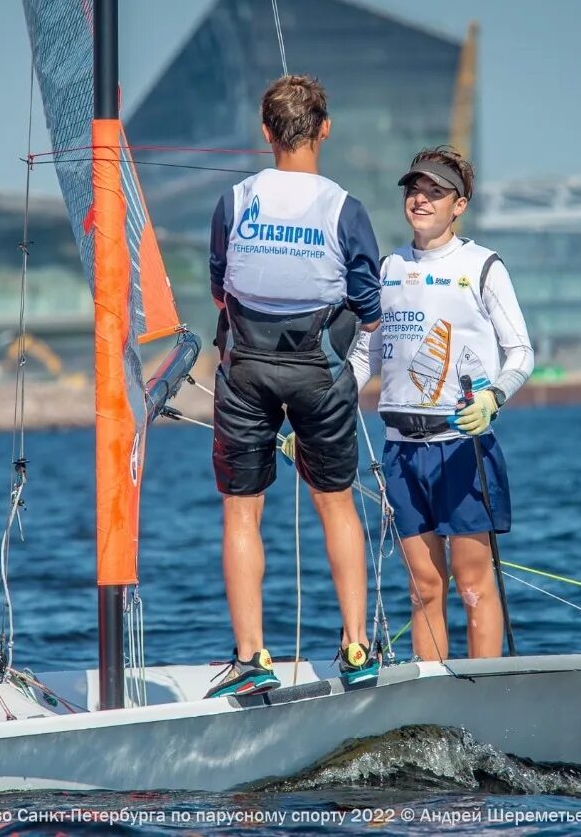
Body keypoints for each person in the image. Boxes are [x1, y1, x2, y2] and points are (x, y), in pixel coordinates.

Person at [207, 75, 382, 698]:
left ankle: (253, 657)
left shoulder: (234, 201)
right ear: (324, 129)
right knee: (335, 502)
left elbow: (220, 290)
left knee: (241, 512)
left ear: (265, 132)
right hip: (320, 369)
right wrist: (355, 376)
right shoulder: (345, 209)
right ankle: (356, 644)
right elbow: (370, 309)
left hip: (246, 369)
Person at [349, 146, 534, 661]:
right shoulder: (388, 268)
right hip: (402, 451)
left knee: (473, 586)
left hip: (461, 447)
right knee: (425, 589)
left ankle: (485, 692)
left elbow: (521, 351)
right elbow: (366, 354)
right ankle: (433, 696)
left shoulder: (482, 267)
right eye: (414, 190)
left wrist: (494, 397)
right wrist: (325, 407)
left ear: (460, 205)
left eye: (435, 192)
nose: (421, 199)